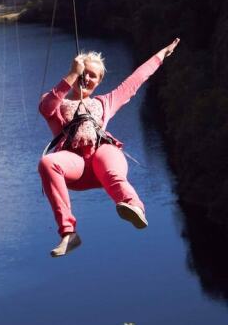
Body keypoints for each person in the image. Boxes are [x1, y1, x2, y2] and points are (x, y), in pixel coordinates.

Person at [38, 38, 180, 257]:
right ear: (75, 71)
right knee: (48, 162)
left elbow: (136, 80)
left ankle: (133, 205)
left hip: (102, 158)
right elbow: (46, 108)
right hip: (77, 168)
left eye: (92, 75)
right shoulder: (58, 101)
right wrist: (70, 76)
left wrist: (160, 55)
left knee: (106, 158)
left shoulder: (105, 102)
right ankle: (69, 233)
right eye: (83, 72)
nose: (86, 77)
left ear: (99, 81)